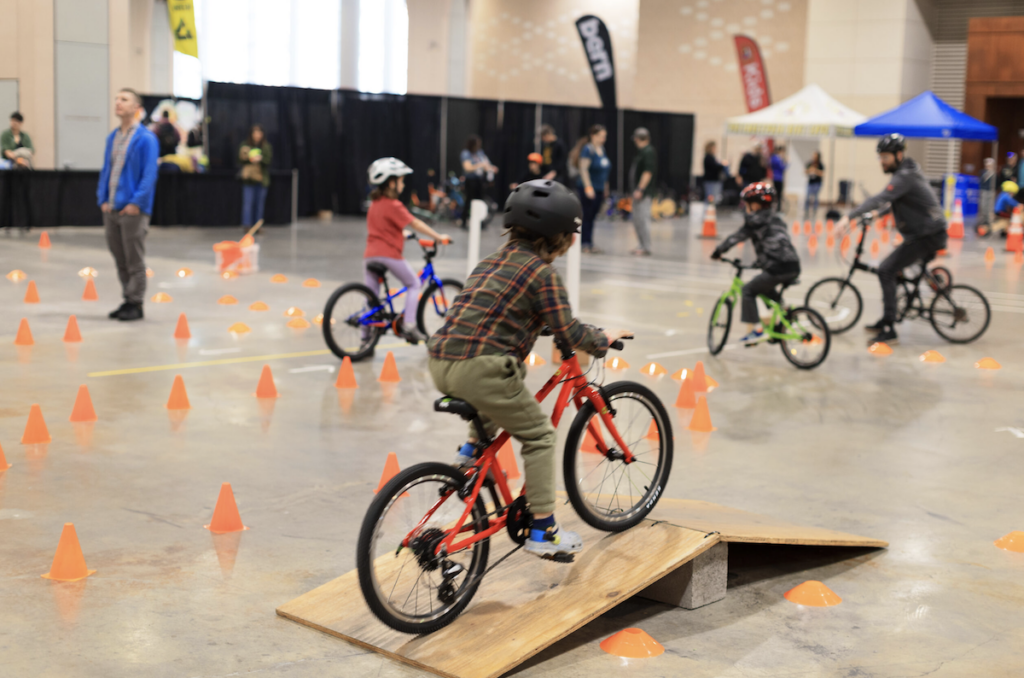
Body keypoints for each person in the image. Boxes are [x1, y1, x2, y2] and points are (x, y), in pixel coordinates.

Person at [427, 179, 630, 559]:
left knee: (499, 388)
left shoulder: (488, 263)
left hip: (440, 360)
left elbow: (497, 317)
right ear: (562, 238)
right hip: (481, 368)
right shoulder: (543, 275)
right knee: (539, 436)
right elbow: (568, 331)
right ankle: (543, 530)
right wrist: (602, 339)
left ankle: (472, 456)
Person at [836, 133, 947, 346]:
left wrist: (848, 218)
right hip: (925, 233)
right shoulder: (907, 171)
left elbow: (880, 198)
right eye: (880, 157)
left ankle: (889, 328)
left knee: (886, 269)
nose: (882, 162)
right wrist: (878, 214)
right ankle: (889, 315)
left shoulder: (904, 176)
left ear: (898, 155)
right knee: (892, 270)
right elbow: (895, 201)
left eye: (885, 157)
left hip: (927, 236)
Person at [364, 157, 449, 345]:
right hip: (389, 255)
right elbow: (416, 222)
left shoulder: (375, 205)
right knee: (413, 284)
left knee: (371, 298)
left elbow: (381, 228)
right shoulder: (394, 205)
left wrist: (401, 233)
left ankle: (365, 339)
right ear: (392, 183)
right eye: (401, 180)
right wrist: (438, 237)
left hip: (370, 256)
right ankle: (409, 326)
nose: (403, 184)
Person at [96, 88, 159, 322]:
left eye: (124, 99)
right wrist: (102, 199)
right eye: (116, 99)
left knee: (134, 259)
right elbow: (107, 171)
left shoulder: (146, 138)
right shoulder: (112, 137)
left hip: (132, 210)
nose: (118, 103)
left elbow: (149, 175)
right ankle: (127, 299)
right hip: (111, 208)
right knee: (120, 258)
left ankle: (137, 302)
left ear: (136, 107)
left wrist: (137, 203)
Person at [711, 183, 800, 344]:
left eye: (747, 204)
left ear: (756, 204)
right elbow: (775, 244)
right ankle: (786, 314)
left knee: (747, 290)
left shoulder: (754, 221)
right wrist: (759, 263)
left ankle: (755, 332)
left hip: (777, 267)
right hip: (793, 265)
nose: (746, 207)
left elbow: (736, 238)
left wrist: (718, 251)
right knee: (765, 289)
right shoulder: (777, 219)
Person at [572, 124, 611, 254]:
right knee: (587, 216)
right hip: (588, 189)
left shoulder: (602, 150)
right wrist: (588, 187)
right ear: (593, 136)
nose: (603, 139)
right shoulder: (588, 150)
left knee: (593, 216)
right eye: (601, 136)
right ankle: (584, 243)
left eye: (604, 136)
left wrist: (605, 187)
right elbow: (583, 170)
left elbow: (604, 171)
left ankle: (590, 242)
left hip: (599, 188)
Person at [629, 127, 657, 256]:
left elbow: (647, 172)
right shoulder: (643, 151)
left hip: (643, 193)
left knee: (642, 219)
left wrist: (640, 189)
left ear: (636, 138)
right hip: (639, 192)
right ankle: (641, 245)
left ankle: (646, 247)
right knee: (637, 220)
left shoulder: (648, 152)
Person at [239, 125, 272, 230]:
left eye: (259, 133)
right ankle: (247, 226)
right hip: (249, 179)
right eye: (255, 133)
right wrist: (250, 159)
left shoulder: (266, 146)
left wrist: (260, 159)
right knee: (247, 203)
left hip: (261, 179)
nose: (257, 135)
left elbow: (268, 161)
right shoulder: (245, 145)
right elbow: (240, 159)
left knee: (259, 204)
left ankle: (258, 226)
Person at [460, 134, 498, 208]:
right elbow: (467, 168)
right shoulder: (466, 153)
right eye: (477, 144)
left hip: (479, 180)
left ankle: (478, 218)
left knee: (479, 200)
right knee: (469, 200)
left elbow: (486, 164)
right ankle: (464, 218)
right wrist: (480, 165)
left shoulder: (480, 152)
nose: (478, 145)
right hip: (470, 181)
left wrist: (491, 168)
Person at [976, 157, 996, 233]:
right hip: (983, 190)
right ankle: (982, 221)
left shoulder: (993, 173)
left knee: (989, 207)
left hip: (990, 191)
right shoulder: (982, 172)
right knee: (983, 206)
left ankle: (988, 222)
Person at [805, 151, 825, 221]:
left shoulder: (820, 164)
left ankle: (814, 211)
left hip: (817, 183)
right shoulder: (810, 163)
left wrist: (815, 170)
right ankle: (806, 211)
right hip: (810, 183)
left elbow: (822, 173)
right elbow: (805, 171)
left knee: (815, 198)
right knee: (807, 197)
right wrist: (810, 170)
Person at [770, 145, 787, 212]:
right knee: (778, 194)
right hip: (778, 178)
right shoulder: (777, 158)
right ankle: (778, 208)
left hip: (775, 177)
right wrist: (787, 163)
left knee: (776, 193)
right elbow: (782, 168)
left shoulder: (773, 158)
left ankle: (777, 207)